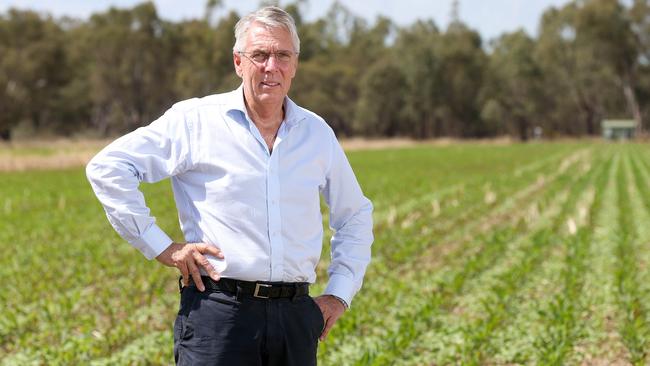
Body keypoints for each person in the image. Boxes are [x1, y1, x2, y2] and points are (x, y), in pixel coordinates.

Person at [86, 6, 373, 365]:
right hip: (219, 317)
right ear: (238, 62)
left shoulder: (316, 133)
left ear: (295, 63)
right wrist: (162, 247)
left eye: (282, 55)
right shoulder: (195, 121)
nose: (272, 66)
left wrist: (339, 294)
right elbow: (109, 167)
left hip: (296, 319)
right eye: (260, 55)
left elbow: (355, 213)